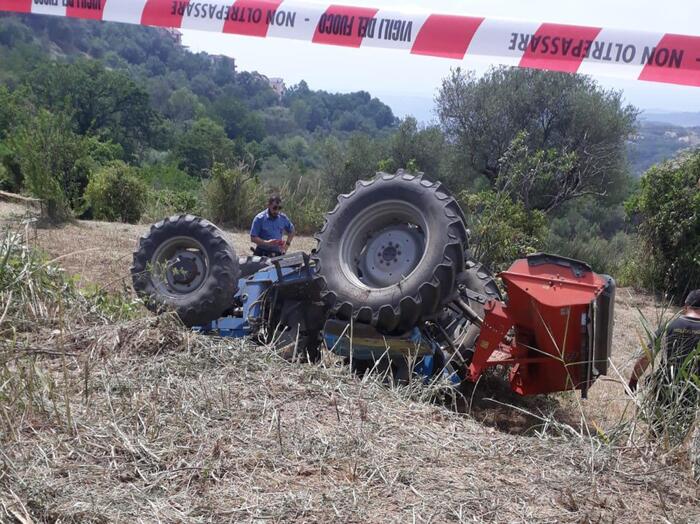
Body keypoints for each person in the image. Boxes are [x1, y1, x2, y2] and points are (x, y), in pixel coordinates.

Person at [628, 289, 700, 392]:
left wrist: (633, 382)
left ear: (685, 306)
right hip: (695, 395)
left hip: (665, 390)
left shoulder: (669, 326)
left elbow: (646, 356)